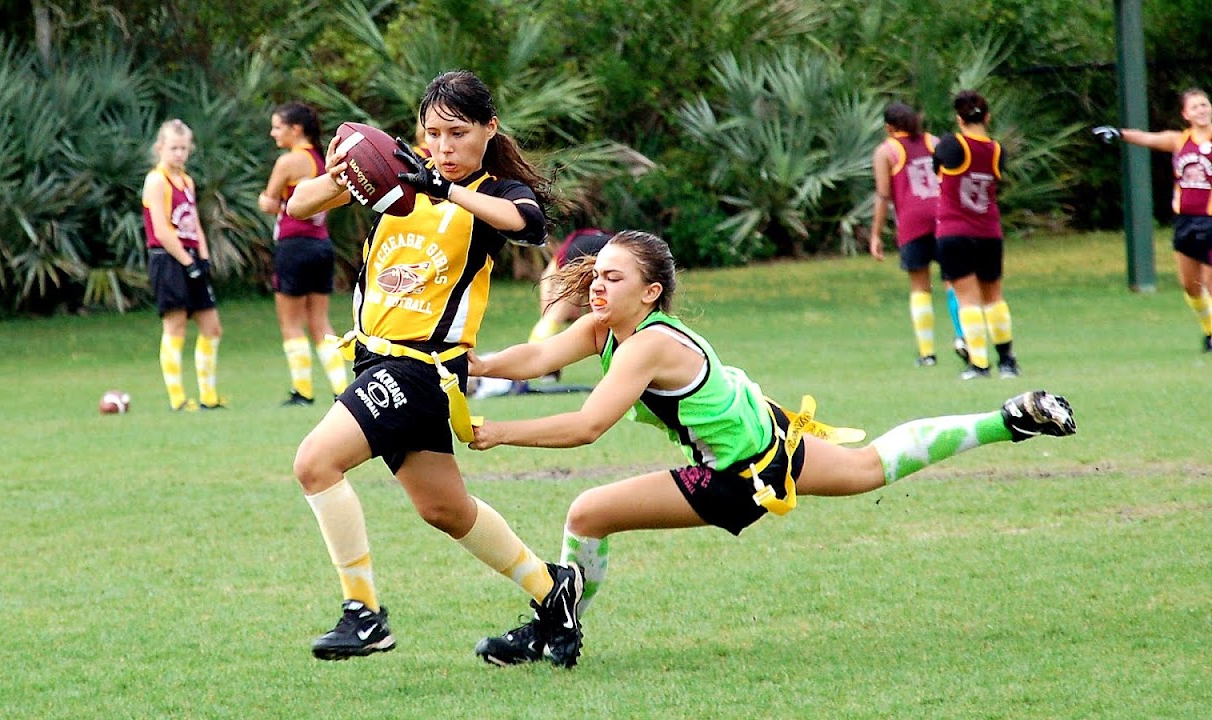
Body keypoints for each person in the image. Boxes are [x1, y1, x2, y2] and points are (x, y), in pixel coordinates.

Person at [466, 230, 1076, 666]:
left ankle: (553, 627)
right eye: (597, 275)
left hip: (739, 473)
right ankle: (1010, 420)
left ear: (650, 294)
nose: (597, 286)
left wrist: (496, 431)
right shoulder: (605, 327)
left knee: (586, 514)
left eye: (613, 278)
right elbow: (541, 356)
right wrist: (480, 363)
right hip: (776, 439)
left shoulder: (645, 345)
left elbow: (587, 425)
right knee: (871, 468)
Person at [284, 70, 586, 667]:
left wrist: (443, 189)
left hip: (422, 370)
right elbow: (299, 204)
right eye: (433, 134)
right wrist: (346, 173)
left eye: (458, 133)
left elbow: (529, 225)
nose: (444, 148)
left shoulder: (492, 191)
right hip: (375, 361)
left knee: (315, 463)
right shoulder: (398, 178)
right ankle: (554, 595)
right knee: (444, 510)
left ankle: (363, 614)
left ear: (488, 129)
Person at [1093, 88, 1212, 351]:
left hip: (1210, 220)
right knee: (1191, 287)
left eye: (1204, 105)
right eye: (1195, 107)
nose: (1201, 110)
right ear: (1185, 114)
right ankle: (1209, 331)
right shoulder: (1180, 140)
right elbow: (1148, 138)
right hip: (1185, 221)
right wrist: (1120, 133)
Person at [257, 102, 350, 407]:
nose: (273, 133)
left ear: (295, 129)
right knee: (321, 322)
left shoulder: (289, 162)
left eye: (277, 127)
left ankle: (303, 391)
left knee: (291, 323)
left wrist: (266, 201)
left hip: (294, 244)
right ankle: (341, 388)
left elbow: (270, 202)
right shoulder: (322, 160)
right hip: (321, 245)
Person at [870, 102, 967, 367]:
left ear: (889, 127)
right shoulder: (933, 141)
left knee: (920, 287)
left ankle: (927, 353)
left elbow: (883, 194)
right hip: (944, 216)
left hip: (913, 222)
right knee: (953, 282)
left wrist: (875, 234)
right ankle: (963, 337)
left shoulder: (886, 150)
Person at [934, 90, 1020, 380]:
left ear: (959, 119)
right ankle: (1007, 361)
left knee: (967, 299)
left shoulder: (952, 144)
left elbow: (939, 165)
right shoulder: (998, 151)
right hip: (988, 232)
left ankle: (979, 364)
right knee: (994, 297)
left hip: (955, 231)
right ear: (988, 116)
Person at [141, 119, 225, 411]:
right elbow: (162, 230)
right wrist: (187, 262)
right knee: (175, 326)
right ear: (160, 148)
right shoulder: (156, 180)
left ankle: (209, 396)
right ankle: (178, 398)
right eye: (173, 148)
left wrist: (202, 257)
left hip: (190, 255)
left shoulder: (187, 181)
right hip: (168, 259)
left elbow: (193, 223)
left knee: (211, 326)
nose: (179, 154)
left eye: (184, 148)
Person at [527, 228, 614, 345]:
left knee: (554, 317)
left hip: (586, 254)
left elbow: (545, 279)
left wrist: (546, 313)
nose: (575, 314)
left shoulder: (563, 262)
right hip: (610, 250)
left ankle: (534, 349)